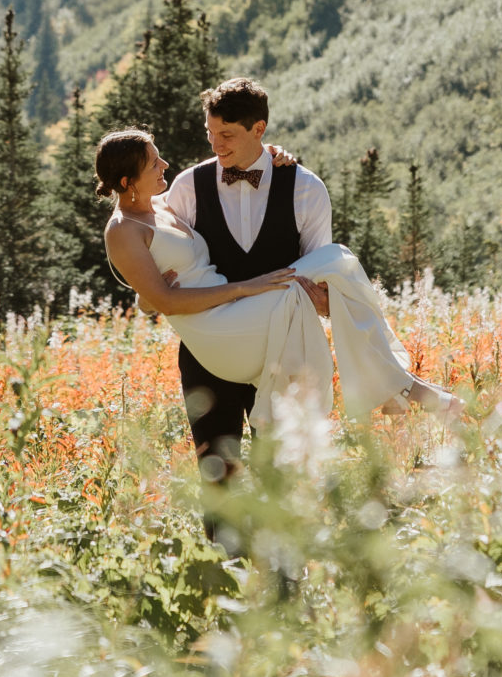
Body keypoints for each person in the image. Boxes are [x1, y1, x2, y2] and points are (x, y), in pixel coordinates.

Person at [98, 81, 455, 479]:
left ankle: (398, 385)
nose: (215, 146)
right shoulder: (187, 187)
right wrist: (155, 299)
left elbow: (320, 297)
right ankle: (401, 387)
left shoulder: (304, 188)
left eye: (227, 135)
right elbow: (148, 273)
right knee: (219, 474)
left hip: (280, 342)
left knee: (282, 477)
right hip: (213, 348)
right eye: (210, 134)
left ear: (259, 130)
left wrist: (313, 299)